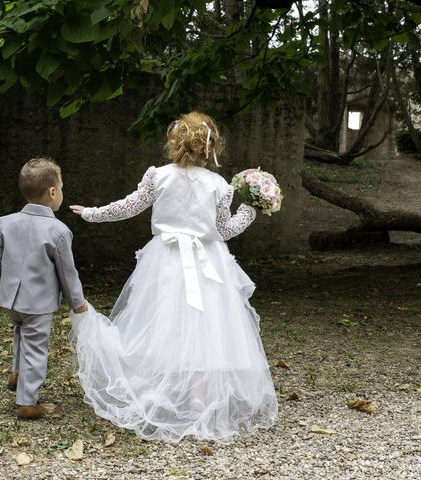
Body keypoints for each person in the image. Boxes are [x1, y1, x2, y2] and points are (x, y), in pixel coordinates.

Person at [69, 111, 278, 443]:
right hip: (208, 261)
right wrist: (249, 211)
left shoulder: (159, 176)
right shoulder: (219, 185)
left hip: (164, 261)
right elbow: (224, 230)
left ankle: (162, 392)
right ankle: (197, 399)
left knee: (164, 324)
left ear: (175, 142)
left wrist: (92, 214)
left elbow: (129, 206)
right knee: (204, 326)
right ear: (211, 149)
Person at [0, 157, 88, 419]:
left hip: (11, 300)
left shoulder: (5, 223)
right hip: (37, 304)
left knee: (20, 333)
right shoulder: (59, 230)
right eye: (61, 188)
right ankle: (28, 402)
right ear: (53, 192)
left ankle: (17, 374)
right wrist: (77, 302)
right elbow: (67, 272)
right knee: (35, 347)